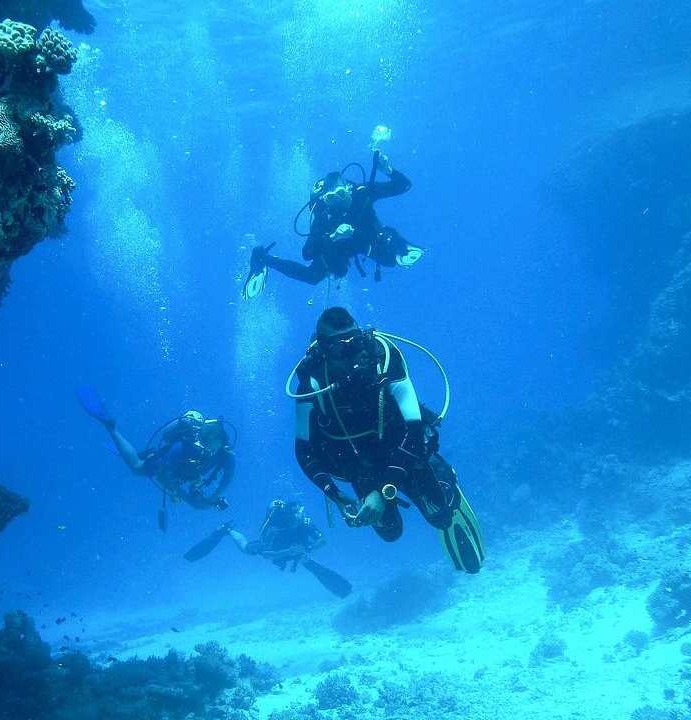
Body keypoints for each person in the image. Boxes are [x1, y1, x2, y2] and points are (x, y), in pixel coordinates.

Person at [286, 307, 485, 573]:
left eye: (354, 342)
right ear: (323, 349)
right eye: (340, 347)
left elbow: (413, 429)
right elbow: (304, 450)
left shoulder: (384, 358)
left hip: (403, 450)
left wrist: (385, 489)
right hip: (360, 467)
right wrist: (335, 494)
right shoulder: (310, 381)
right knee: (391, 533)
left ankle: (443, 476)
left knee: (441, 516)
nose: (351, 354)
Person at [242, 151, 423, 297]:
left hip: (367, 238)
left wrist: (388, 169)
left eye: (342, 195)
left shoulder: (362, 194)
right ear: (325, 200)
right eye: (331, 198)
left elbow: (403, 185)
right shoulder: (324, 216)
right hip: (340, 248)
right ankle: (262, 259)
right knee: (313, 276)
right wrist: (333, 237)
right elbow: (307, 254)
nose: (338, 202)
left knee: (389, 258)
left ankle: (400, 246)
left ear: (349, 189)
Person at [77, 387, 235, 524]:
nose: (207, 447)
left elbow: (225, 477)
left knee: (200, 505)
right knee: (137, 467)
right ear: (201, 434)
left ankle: (129, 442)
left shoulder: (226, 456)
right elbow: (163, 474)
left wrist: (215, 495)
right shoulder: (182, 448)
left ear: (222, 442)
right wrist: (175, 491)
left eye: (214, 442)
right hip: (169, 463)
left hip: (182, 469)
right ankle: (111, 428)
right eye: (206, 439)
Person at [184, 500, 352, 597]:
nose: (300, 516)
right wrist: (288, 552)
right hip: (274, 548)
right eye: (297, 515)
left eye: (301, 514)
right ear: (289, 517)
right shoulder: (275, 529)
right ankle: (227, 530)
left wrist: (307, 547)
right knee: (246, 548)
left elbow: (322, 540)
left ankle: (337, 585)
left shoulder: (305, 522)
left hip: (296, 549)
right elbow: (267, 555)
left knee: (306, 560)